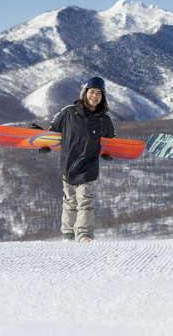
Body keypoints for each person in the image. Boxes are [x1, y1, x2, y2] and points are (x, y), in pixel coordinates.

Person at [46, 76, 116, 242]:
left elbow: (110, 141)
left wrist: (107, 152)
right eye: (92, 92)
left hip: (89, 167)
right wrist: (43, 143)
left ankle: (84, 235)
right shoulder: (69, 112)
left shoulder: (104, 120)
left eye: (99, 93)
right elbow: (52, 131)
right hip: (68, 164)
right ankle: (68, 235)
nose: (95, 96)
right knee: (70, 201)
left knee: (85, 201)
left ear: (103, 97)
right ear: (85, 93)